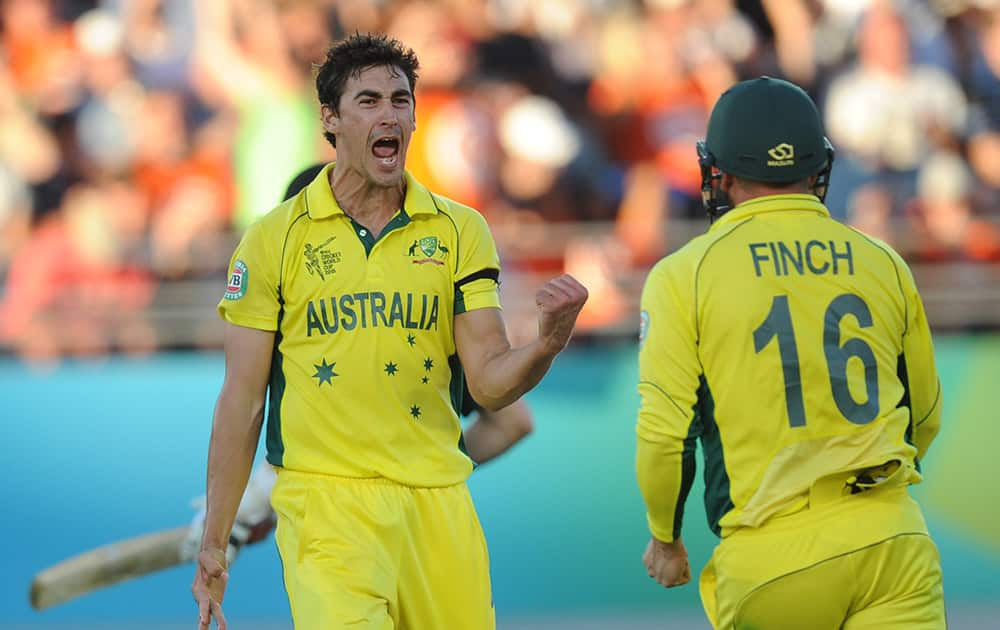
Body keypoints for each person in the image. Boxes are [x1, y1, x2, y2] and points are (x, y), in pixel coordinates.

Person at [191, 32, 588, 630]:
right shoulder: (272, 239)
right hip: (327, 508)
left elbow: (492, 388)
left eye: (400, 100)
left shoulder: (461, 230)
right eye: (370, 101)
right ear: (331, 118)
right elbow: (242, 400)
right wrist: (216, 539)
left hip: (439, 507)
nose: (390, 115)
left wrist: (547, 344)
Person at [635, 76, 943, 629]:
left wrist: (666, 538)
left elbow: (664, 436)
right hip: (892, 540)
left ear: (720, 171)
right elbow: (923, 415)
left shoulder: (685, 274)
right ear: (816, 168)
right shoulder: (883, 260)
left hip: (773, 556)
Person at [181, 164, 536, 567]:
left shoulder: (305, 303)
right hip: (424, 527)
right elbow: (514, 422)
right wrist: (426, 468)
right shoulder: (421, 306)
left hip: (344, 534)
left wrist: (258, 498)